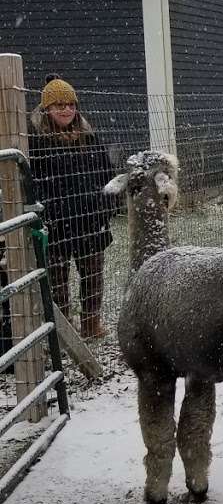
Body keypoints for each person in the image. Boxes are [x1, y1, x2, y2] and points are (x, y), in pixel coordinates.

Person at [28, 76, 116, 340]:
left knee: (93, 276)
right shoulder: (35, 143)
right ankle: (63, 330)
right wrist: (46, 215)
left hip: (90, 221)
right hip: (55, 224)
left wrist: (104, 208)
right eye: (59, 105)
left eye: (70, 104)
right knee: (56, 281)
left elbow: (107, 176)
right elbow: (32, 184)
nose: (66, 110)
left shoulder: (89, 139)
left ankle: (91, 324)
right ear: (46, 109)